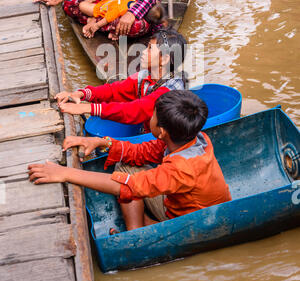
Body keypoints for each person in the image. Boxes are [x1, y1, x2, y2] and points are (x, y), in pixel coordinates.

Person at [28, 90, 232, 232]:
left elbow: (129, 186)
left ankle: (138, 234)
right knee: (127, 164)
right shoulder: (195, 138)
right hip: (191, 204)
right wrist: (100, 141)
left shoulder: (182, 168)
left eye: (152, 115)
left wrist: (65, 173)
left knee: (127, 179)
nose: (149, 117)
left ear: (161, 131)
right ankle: (147, 222)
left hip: (195, 220)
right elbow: (140, 152)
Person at [55, 28, 187, 133]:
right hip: (147, 131)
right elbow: (115, 90)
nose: (144, 52)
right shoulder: (145, 76)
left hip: (162, 144)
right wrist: (82, 93)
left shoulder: (170, 90)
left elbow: (136, 110)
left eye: (150, 49)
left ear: (164, 59)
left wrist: (88, 108)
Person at [82, 0, 167, 39]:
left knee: (82, 5)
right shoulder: (126, 12)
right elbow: (110, 18)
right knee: (84, 4)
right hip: (106, 6)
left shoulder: (130, 7)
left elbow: (109, 18)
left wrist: (96, 25)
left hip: (105, 7)